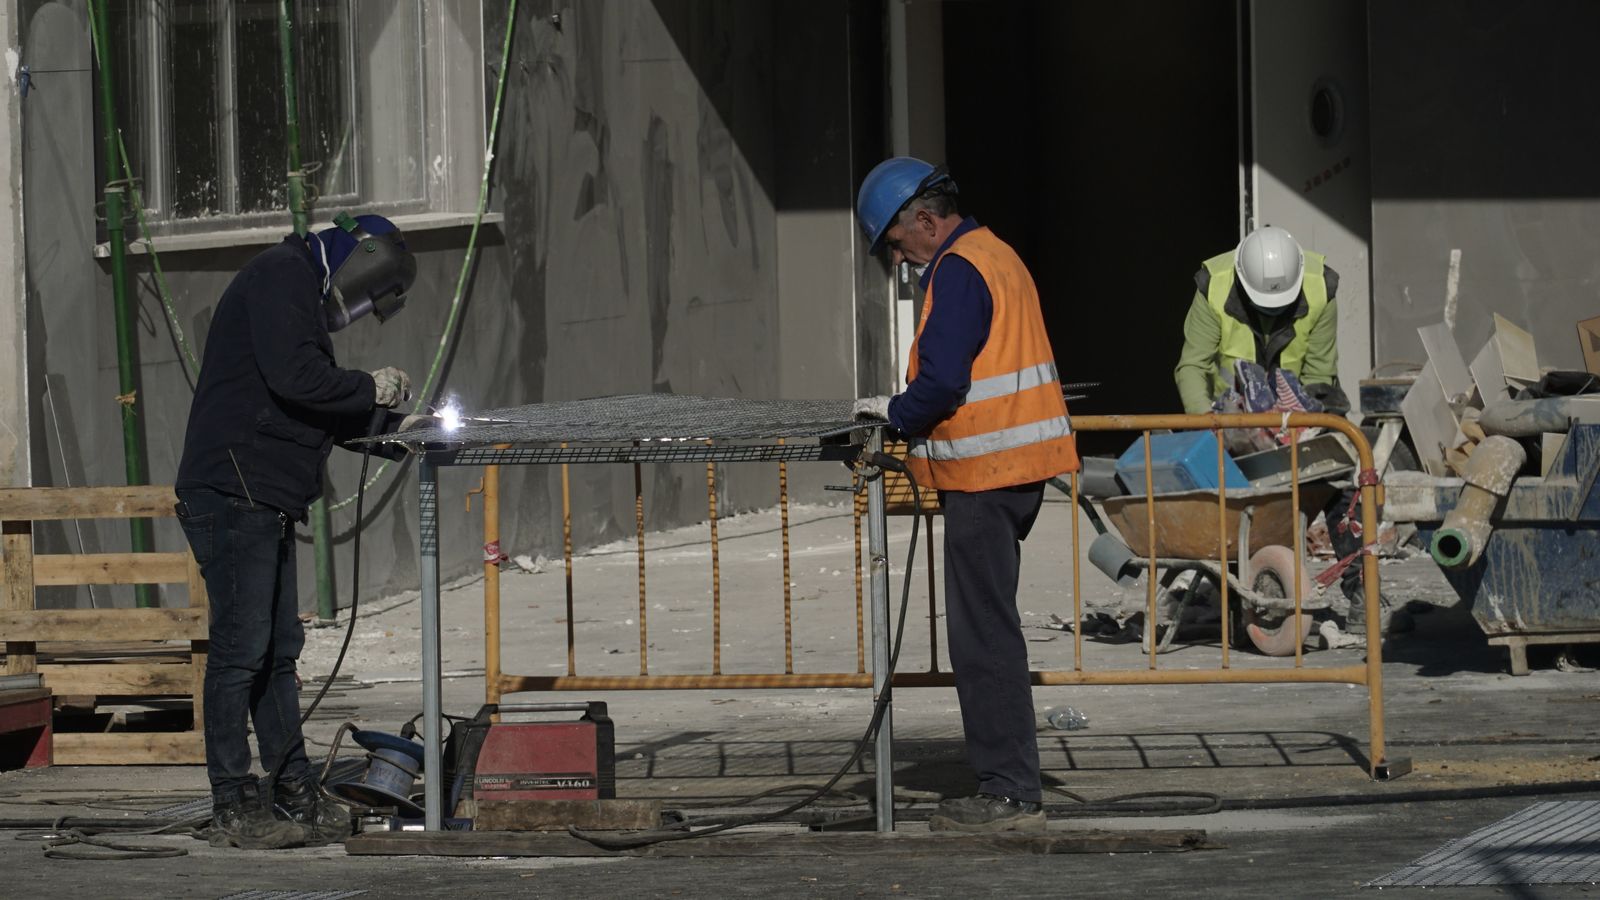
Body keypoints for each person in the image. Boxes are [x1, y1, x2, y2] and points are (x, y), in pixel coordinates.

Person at [175, 212, 418, 849]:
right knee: (240, 652)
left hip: (261, 494)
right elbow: (297, 379)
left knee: (277, 652)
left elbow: (308, 402)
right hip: (233, 491)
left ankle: (293, 795)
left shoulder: (296, 291)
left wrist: (395, 432)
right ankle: (233, 802)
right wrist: (372, 386)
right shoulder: (282, 277)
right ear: (359, 257)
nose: (355, 310)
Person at [852, 157, 1079, 833]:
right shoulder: (996, 254)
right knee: (991, 630)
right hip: (1014, 472)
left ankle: (1007, 789)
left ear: (925, 219)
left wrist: (893, 414)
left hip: (987, 476)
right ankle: (1009, 779)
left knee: (982, 639)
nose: (899, 259)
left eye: (896, 243)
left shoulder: (957, 270)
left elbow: (945, 381)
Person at [1174, 226, 1397, 633]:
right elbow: (1193, 365)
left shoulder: (1319, 286)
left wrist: (1301, 424)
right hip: (1230, 420)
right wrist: (1206, 423)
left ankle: (1364, 588)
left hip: (1296, 417)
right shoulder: (1214, 284)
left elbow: (1319, 372)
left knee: (1348, 476)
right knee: (1217, 493)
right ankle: (1220, 589)